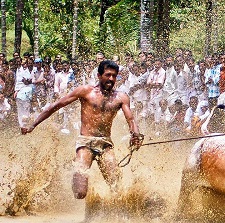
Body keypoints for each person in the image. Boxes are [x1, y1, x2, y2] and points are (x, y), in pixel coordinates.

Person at [20, 60, 143, 199]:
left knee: (116, 184)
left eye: (114, 76)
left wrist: (136, 134)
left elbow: (131, 119)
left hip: (105, 143)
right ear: (99, 75)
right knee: (80, 192)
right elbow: (56, 105)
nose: (111, 79)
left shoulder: (121, 97)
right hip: (85, 142)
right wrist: (33, 124)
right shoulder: (85, 91)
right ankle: (76, 169)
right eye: (108, 75)